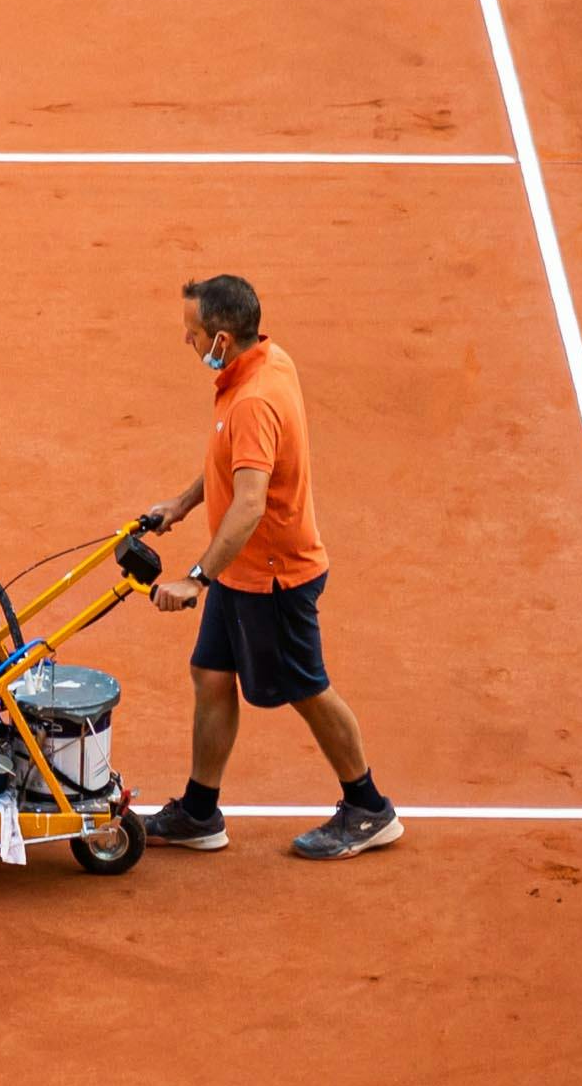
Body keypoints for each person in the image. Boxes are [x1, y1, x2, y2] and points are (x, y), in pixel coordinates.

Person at [130, 273, 399, 860]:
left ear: (223, 338)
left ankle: (369, 807)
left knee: (307, 689)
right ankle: (201, 812)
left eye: (194, 334)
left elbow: (250, 502)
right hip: (241, 572)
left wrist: (194, 579)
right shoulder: (267, 362)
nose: (189, 343)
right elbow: (231, 460)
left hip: (272, 576)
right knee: (210, 675)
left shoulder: (253, 400)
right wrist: (181, 503)